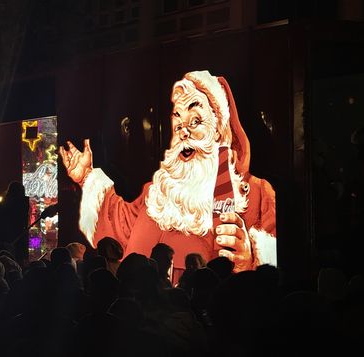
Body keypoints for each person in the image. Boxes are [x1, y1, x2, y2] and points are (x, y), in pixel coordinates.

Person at [60, 70, 276, 279]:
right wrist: (86, 176)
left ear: (219, 127)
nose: (184, 132)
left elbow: (269, 274)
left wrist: (249, 260)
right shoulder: (157, 193)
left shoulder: (258, 195)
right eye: (179, 122)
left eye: (195, 121)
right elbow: (119, 227)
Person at [0, 181, 30, 267]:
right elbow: (23, 225)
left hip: (0, 241)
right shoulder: (22, 206)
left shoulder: (1, 207)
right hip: (17, 241)